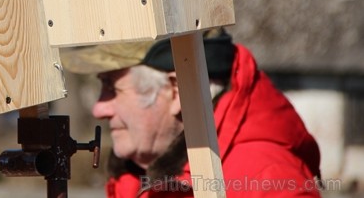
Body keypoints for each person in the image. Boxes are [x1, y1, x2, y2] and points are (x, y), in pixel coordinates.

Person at [60, 28, 322, 197]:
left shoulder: (270, 184)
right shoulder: (140, 173)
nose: (98, 108)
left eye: (112, 88)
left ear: (176, 92)